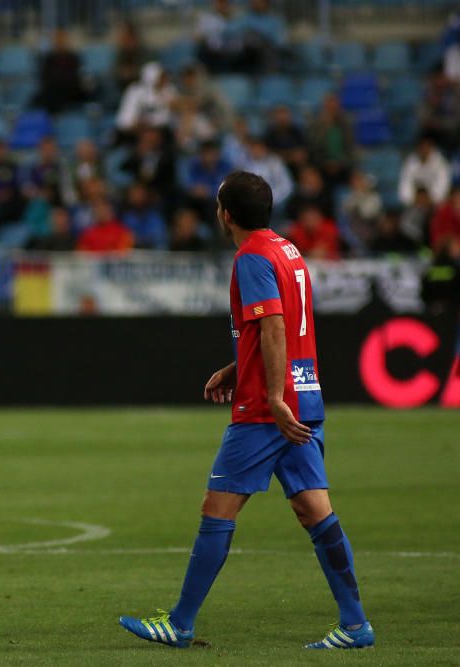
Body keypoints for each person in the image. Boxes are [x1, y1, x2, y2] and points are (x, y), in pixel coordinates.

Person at [118, 171, 374, 650]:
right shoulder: (287, 249)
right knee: (314, 509)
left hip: (266, 409)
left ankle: (180, 622)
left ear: (226, 214)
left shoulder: (251, 257)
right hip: (305, 393)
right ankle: (356, 624)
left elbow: (275, 326)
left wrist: (271, 397)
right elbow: (283, 328)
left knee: (217, 509)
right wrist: (237, 367)